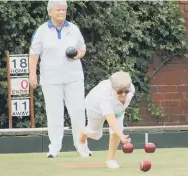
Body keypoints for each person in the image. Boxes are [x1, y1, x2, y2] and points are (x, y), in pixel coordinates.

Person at [29, 0, 91, 158]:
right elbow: (34, 53)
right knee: (54, 114)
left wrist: (77, 55)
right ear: (50, 12)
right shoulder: (42, 31)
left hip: (74, 77)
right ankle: (54, 149)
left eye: (64, 9)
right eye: (58, 10)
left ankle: (82, 147)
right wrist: (32, 74)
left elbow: (82, 49)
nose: (62, 12)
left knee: (77, 112)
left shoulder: (73, 29)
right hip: (50, 78)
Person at [78, 71, 135, 169]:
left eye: (126, 91)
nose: (123, 94)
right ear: (113, 89)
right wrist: (121, 136)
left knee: (117, 130)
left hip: (118, 107)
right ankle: (82, 138)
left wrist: (119, 133)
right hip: (94, 106)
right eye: (120, 92)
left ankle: (111, 160)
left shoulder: (130, 88)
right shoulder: (105, 96)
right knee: (94, 134)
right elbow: (111, 121)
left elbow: (116, 125)